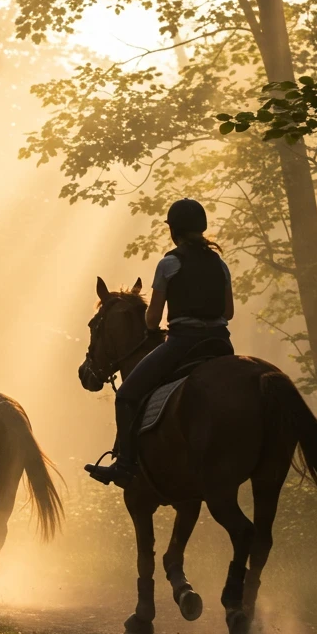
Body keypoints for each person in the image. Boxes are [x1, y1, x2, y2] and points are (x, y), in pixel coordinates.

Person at [85, 198, 235, 488]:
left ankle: (126, 465)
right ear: (201, 228)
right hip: (220, 345)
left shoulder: (169, 264)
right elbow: (228, 313)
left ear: (173, 231)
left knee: (126, 396)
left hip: (183, 344)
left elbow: (152, 322)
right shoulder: (220, 264)